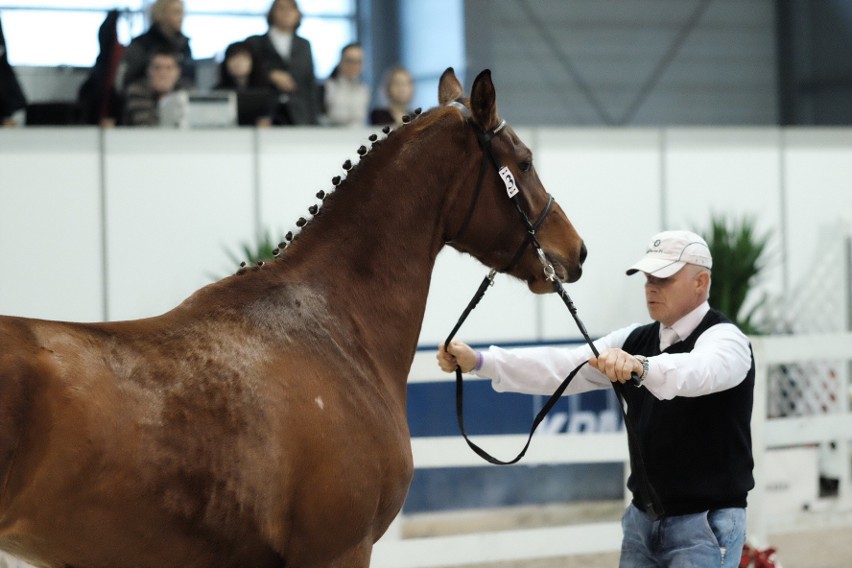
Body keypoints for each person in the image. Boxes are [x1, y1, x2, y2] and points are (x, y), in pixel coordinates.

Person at [437, 230, 755, 568]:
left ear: (700, 282)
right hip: (642, 521)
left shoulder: (727, 340)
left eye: (664, 277)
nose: (651, 286)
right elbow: (562, 366)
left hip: (703, 525)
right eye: (648, 277)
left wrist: (641, 366)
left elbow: (697, 371)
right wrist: (482, 362)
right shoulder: (634, 339)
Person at [245, 0, 320, 126]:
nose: (286, 13)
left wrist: (314, 119)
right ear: (271, 13)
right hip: (265, 115)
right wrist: (270, 75)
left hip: (299, 116)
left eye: (291, 9)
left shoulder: (304, 45)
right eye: (281, 8)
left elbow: (310, 83)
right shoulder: (255, 43)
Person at [118, 0, 195, 93]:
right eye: (176, 12)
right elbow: (123, 82)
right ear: (161, 14)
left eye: (182, 12)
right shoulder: (140, 45)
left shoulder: (184, 46)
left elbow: (191, 78)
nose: (181, 17)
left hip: (178, 101)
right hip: (142, 101)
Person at [121, 48, 186, 127]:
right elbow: (147, 127)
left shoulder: (183, 93)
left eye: (169, 68)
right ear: (148, 71)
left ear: (178, 72)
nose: (163, 73)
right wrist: (163, 98)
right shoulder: (137, 91)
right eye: (157, 68)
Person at [322, 42, 369, 127]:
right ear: (341, 61)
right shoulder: (326, 87)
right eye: (349, 61)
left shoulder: (364, 90)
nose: (354, 66)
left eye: (358, 61)